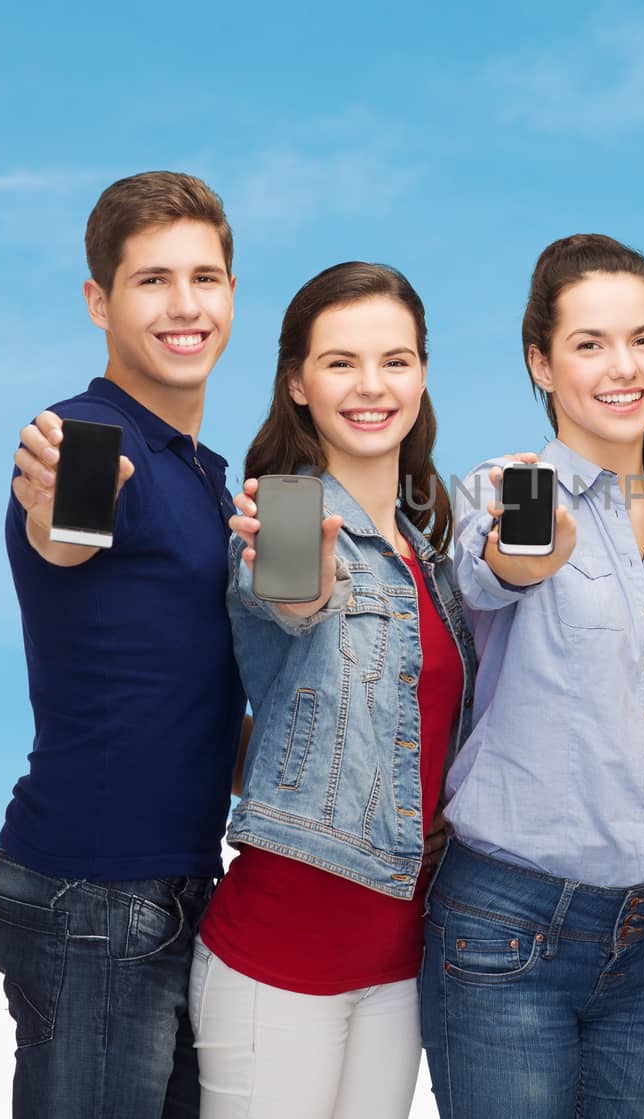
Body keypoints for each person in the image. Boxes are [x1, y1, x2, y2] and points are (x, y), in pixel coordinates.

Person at [419, 233, 644, 1119]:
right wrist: (530, 557)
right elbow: (488, 570)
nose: (622, 366)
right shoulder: (508, 489)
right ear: (542, 363)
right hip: (508, 928)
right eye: (589, 344)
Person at [0, 171, 245, 1117]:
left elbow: (192, 687)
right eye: (152, 281)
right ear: (100, 300)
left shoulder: (208, 475)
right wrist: (58, 509)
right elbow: (68, 526)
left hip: (172, 890)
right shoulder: (91, 436)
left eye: (206, 278)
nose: (186, 306)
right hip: (93, 898)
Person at [188, 262, 476, 1118]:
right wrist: (301, 580)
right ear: (297, 382)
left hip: (397, 959)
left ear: (422, 374)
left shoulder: (428, 548)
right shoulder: (283, 512)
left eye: (395, 360)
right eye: (341, 362)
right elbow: (290, 593)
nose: (371, 386)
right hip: (282, 953)